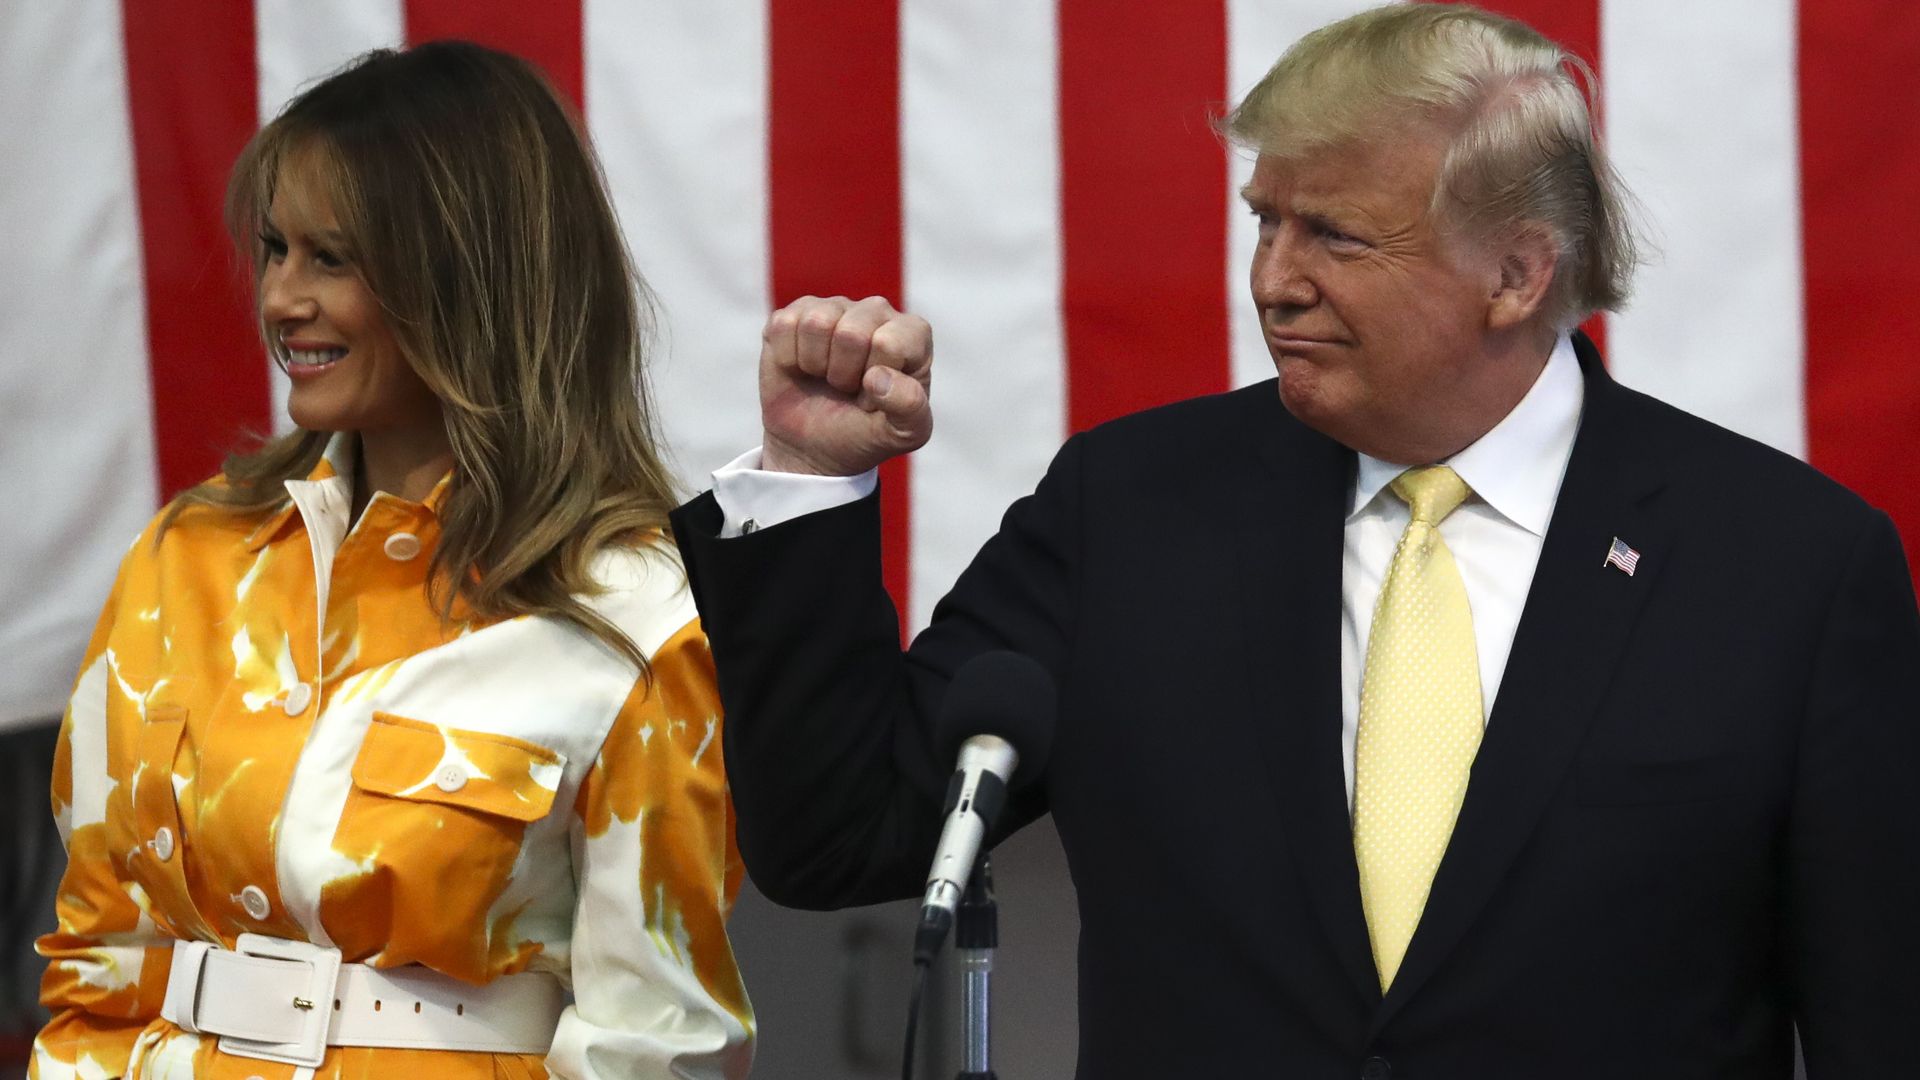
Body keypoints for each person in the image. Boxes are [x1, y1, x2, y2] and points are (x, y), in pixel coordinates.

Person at [670, 5, 1920, 1078]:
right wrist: (810, 481)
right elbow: (843, 835)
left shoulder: (1789, 568)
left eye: (1334, 235)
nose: (1273, 278)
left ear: (1519, 274)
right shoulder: (1131, 507)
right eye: (1264, 221)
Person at [32, 43, 752, 1080]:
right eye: (277, 250)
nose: (282, 298)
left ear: (471, 276)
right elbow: (99, 960)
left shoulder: (631, 607)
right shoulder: (183, 557)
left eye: (332, 258)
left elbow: (658, 1042)